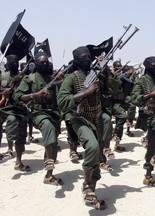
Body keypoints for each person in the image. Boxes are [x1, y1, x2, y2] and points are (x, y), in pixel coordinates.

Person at [57, 46, 106, 209]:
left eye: (89, 56)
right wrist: (85, 92)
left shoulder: (96, 74)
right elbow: (62, 101)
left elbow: (114, 88)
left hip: (96, 118)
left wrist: (105, 66)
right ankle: (86, 184)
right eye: (83, 57)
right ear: (76, 60)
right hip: (80, 119)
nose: (87, 59)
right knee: (92, 146)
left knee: (97, 153)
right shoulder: (72, 78)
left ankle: (92, 191)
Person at [14, 52, 63, 185]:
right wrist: (35, 94)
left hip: (52, 113)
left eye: (47, 62)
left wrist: (61, 81)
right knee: (47, 126)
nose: (45, 64)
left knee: (53, 140)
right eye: (42, 62)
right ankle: (48, 161)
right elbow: (18, 96)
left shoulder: (50, 78)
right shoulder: (29, 79)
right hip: (37, 112)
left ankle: (49, 174)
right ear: (35, 64)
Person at [131, 56, 155, 188]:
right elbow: (135, 99)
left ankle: (148, 176)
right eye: (153, 65)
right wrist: (150, 95)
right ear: (147, 66)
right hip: (147, 115)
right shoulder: (141, 81)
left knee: (152, 144)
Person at [0, 54, 30, 171]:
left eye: (17, 62)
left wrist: (21, 81)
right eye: (12, 62)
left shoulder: (24, 76)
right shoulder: (4, 76)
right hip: (4, 108)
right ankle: (8, 148)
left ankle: (18, 161)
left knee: (21, 136)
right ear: (7, 64)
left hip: (19, 109)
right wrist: (5, 90)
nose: (15, 64)